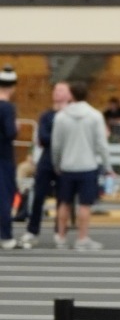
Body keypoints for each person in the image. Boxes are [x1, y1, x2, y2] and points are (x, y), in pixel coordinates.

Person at [49, 82, 110, 252]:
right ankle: (82, 238)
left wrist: (57, 163)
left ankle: (61, 237)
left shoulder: (61, 116)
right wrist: (108, 165)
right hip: (88, 165)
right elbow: (101, 144)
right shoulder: (95, 115)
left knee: (64, 203)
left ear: (71, 95)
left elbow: (56, 145)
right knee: (85, 204)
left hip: (67, 165)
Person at [17, 80, 68, 248]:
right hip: (46, 160)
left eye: (61, 90)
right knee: (39, 195)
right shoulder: (46, 116)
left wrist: (56, 139)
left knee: (63, 198)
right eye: (56, 90)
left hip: (65, 159)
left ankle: (59, 232)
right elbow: (43, 138)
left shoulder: (70, 116)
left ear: (69, 94)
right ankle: (32, 230)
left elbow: (69, 138)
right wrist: (58, 139)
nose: (57, 93)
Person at [0, 66, 17, 249]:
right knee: (4, 197)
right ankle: (5, 236)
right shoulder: (7, 108)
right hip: (3, 157)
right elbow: (10, 132)